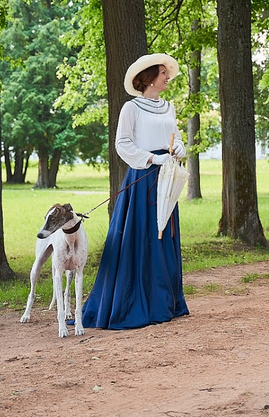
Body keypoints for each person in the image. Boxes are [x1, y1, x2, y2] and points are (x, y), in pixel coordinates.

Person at [81, 53, 190, 329]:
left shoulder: (169, 107)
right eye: (163, 73)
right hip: (143, 180)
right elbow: (123, 144)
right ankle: (136, 303)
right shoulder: (131, 108)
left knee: (164, 235)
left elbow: (175, 138)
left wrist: (179, 149)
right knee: (142, 238)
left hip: (166, 180)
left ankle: (164, 301)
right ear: (151, 77)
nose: (167, 77)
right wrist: (153, 158)